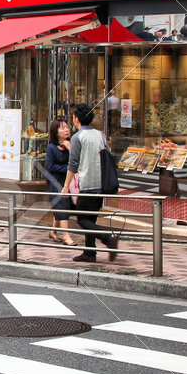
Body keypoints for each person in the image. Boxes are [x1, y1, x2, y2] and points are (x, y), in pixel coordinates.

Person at [63, 103, 118, 262]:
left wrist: (66, 186)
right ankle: (89, 252)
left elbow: (73, 164)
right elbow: (107, 154)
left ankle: (108, 239)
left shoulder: (77, 137)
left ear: (76, 119)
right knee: (91, 218)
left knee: (83, 219)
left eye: (73, 117)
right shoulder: (100, 134)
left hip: (87, 184)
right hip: (101, 183)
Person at [44, 116, 76, 246]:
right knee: (62, 205)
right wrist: (68, 168)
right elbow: (50, 166)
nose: (66, 130)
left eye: (67, 127)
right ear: (56, 131)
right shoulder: (51, 147)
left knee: (61, 205)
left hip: (68, 180)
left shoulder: (71, 144)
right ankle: (66, 236)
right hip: (55, 180)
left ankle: (53, 232)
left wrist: (70, 148)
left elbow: (77, 160)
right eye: (62, 128)